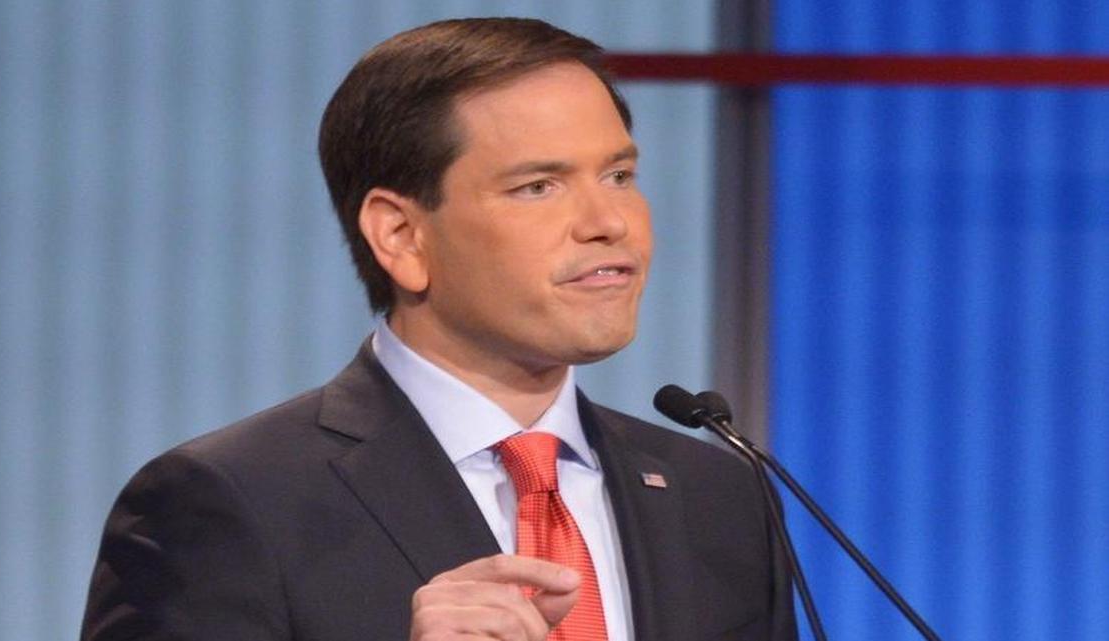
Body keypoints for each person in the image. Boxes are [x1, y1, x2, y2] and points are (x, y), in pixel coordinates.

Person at [81, 17, 795, 641]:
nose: (609, 223)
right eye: (537, 186)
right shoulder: (230, 502)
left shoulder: (718, 496)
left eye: (618, 174)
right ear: (400, 236)